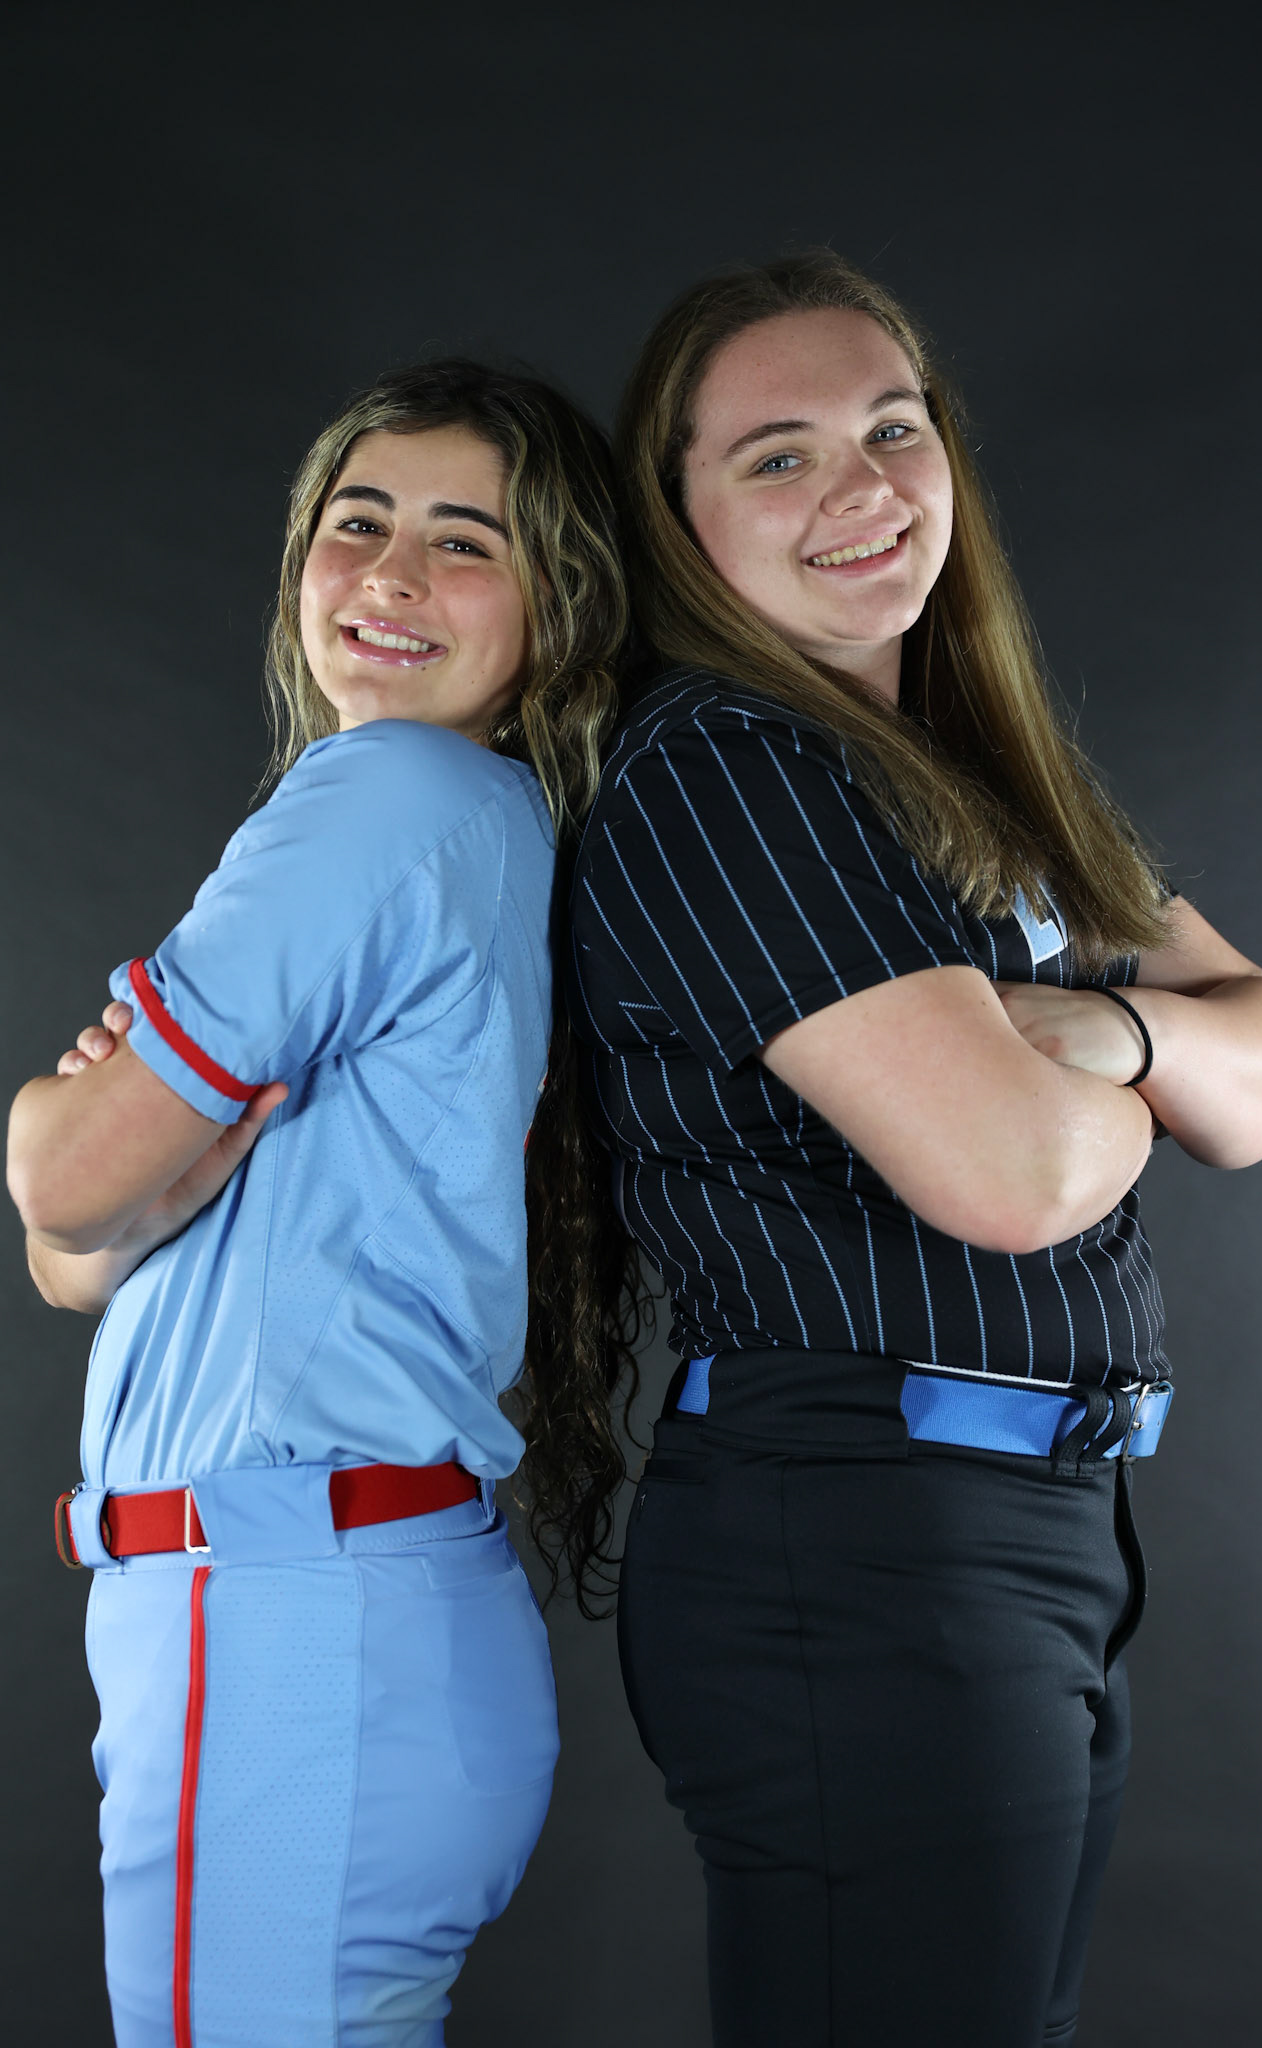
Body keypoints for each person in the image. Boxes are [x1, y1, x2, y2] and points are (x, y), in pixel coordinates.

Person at [567, 253, 1262, 2047]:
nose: (861, 487)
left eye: (891, 430)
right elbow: (1014, 1179)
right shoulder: (729, 770)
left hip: (1026, 1531)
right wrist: (1128, 1070)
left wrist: (1111, 1036)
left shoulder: (968, 779)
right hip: (861, 1541)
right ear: (677, 518)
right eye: (777, 454)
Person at [6, 357, 634, 2048]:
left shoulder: (387, 798)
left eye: (465, 541)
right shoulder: (470, 821)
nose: (391, 576)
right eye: (358, 523)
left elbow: (62, 1184)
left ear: (558, 610)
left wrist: (50, 1132)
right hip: (342, 1617)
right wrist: (103, 1193)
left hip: (287, 1617)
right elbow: (79, 1265)